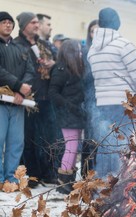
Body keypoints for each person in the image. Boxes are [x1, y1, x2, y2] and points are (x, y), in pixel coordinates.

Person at [88, 7, 136, 179]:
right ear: (116, 22)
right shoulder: (124, 45)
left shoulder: (93, 49)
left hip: (102, 104)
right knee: (124, 144)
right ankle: (122, 184)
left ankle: (103, 185)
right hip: (123, 103)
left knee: (106, 144)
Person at [14, 12, 59, 186]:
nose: (37, 25)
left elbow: (58, 62)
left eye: (36, 22)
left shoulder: (45, 44)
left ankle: (49, 173)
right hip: (27, 98)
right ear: (24, 25)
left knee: (49, 138)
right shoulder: (17, 45)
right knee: (29, 138)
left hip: (47, 97)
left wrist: (52, 64)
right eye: (33, 22)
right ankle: (32, 175)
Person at [0, 11, 34, 188]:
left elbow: (30, 70)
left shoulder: (20, 49)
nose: (8, 25)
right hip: (1, 102)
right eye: (4, 22)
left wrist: (22, 90)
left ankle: (11, 179)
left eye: (10, 22)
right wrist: (18, 85)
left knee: (16, 142)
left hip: (19, 102)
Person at [49, 39, 85, 194]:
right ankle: (64, 183)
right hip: (68, 115)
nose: (80, 53)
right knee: (70, 148)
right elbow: (53, 93)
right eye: (77, 50)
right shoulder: (61, 69)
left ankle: (68, 180)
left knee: (73, 148)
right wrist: (69, 106)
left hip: (75, 114)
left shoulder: (75, 69)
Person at [80, 19, 98, 177]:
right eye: (93, 31)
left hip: (104, 99)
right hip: (88, 99)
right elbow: (82, 77)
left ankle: (99, 172)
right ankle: (86, 173)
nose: (95, 33)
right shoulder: (85, 51)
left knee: (102, 137)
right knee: (90, 137)